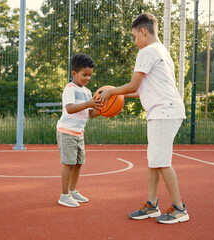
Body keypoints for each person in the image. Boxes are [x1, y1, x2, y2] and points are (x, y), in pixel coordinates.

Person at [97, 12, 189, 224]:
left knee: (162, 161)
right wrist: (116, 92)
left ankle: (179, 208)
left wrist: (110, 92)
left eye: (134, 37)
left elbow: (133, 85)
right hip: (164, 110)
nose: (135, 41)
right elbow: (139, 91)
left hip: (164, 111)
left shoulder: (147, 52)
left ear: (143, 31)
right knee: (154, 161)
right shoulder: (163, 52)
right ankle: (152, 204)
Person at [57, 53, 102, 207]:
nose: (87, 78)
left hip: (79, 133)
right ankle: (64, 195)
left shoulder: (88, 92)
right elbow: (70, 109)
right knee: (69, 164)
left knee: (78, 163)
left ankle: (73, 190)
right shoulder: (70, 89)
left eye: (90, 75)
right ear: (74, 73)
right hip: (67, 131)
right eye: (84, 75)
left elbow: (91, 113)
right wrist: (89, 104)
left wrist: (106, 110)